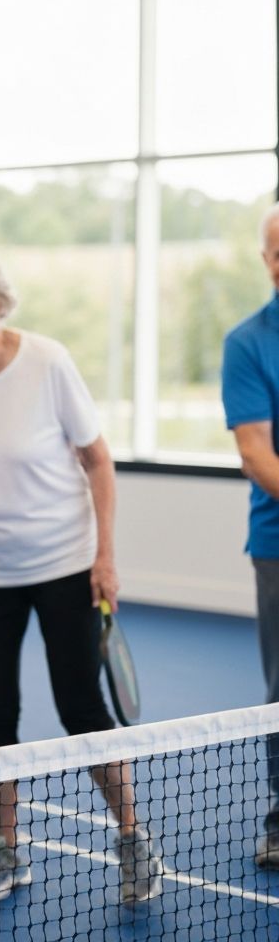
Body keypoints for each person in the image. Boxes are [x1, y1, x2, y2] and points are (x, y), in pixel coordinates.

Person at [0, 244, 163, 905]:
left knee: (82, 708)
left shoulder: (47, 361)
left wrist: (105, 556)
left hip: (63, 562)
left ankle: (133, 837)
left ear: (0, 302)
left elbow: (98, 460)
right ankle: (7, 849)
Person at [221, 200, 279, 869]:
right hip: (277, 545)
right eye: (278, 250)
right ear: (266, 261)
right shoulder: (248, 342)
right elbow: (257, 454)